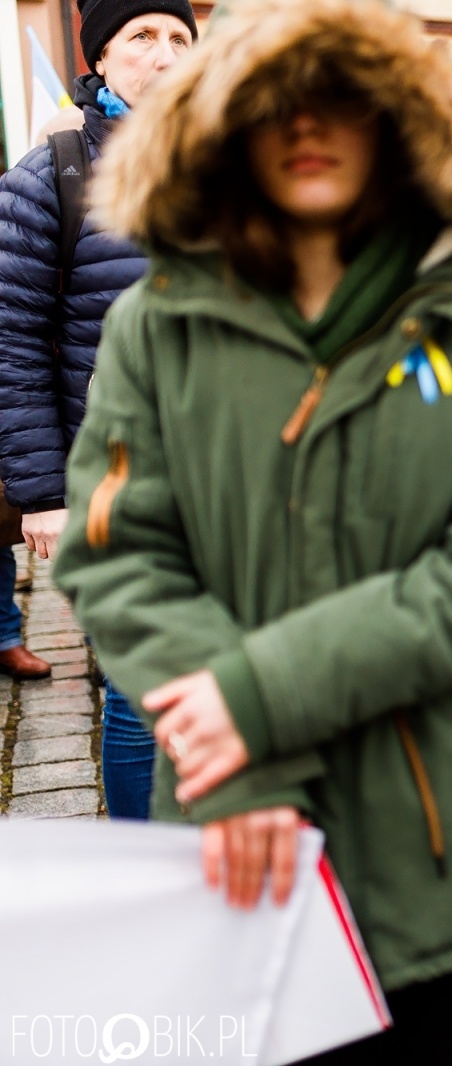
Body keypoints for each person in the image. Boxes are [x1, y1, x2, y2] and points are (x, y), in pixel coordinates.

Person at [53, 1, 452, 1061]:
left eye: (341, 98)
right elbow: (117, 553)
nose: (307, 125)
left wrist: (256, 696)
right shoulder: (152, 327)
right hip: (237, 845)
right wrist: (242, 771)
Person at [0, 0, 197, 815]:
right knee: (137, 691)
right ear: (102, 60)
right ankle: (146, 868)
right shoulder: (54, 172)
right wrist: (45, 491)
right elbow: (11, 342)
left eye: (180, 37)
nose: (164, 54)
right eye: (141, 37)